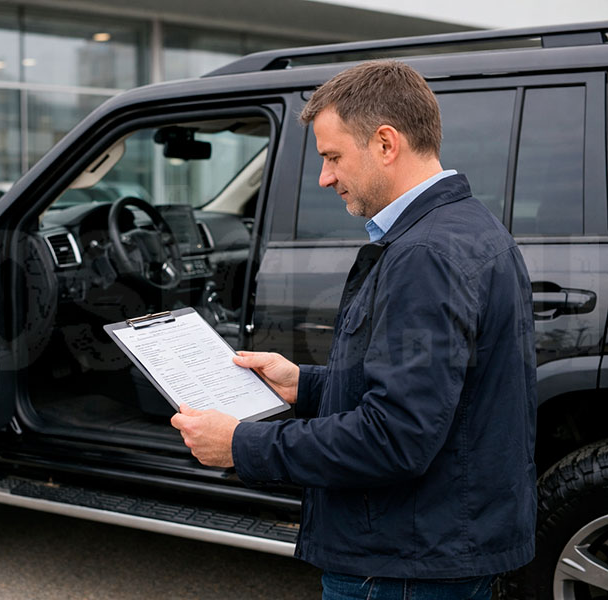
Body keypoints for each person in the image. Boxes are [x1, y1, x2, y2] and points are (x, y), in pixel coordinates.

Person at [170, 60, 537, 600]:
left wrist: (242, 444)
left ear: (386, 144)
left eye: (332, 156)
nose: (325, 176)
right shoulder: (467, 228)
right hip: (430, 547)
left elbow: (395, 438)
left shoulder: (426, 254)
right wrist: (306, 385)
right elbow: (439, 398)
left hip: (401, 567)